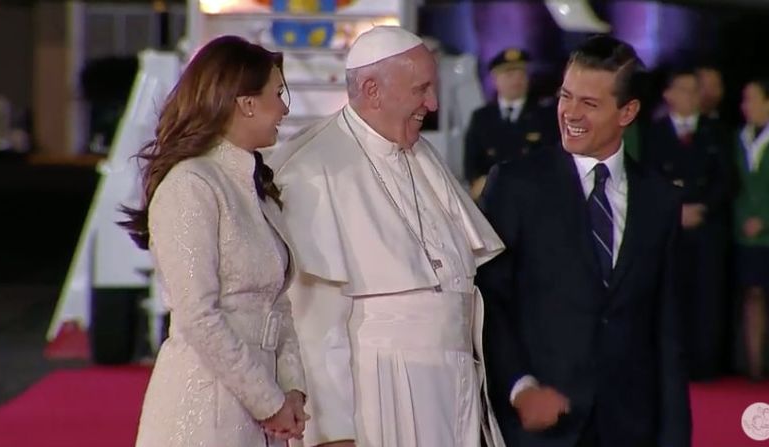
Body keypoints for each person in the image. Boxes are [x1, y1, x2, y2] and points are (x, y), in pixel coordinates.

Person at [268, 26, 505, 447]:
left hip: (455, 385)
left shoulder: (417, 150)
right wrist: (331, 433)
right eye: (421, 89)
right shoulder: (313, 170)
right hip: (378, 392)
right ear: (372, 89)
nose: (432, 104)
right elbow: (312, 322)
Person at [477, 35, 691, 447]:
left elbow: (667, 332)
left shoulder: (660, 200)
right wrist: (520, 386)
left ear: (627, 111)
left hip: (629, 426)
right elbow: (488, 300)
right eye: (566, 96)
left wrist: (675, 436)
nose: (570, 113)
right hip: (537, 427)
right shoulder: (516, 185)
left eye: (589, 104)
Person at [119, 35, 308, 446]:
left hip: (262, 409)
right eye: (278, 93)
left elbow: (279, 305)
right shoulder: (190, 184)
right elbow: (197, 316)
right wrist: (269, 400)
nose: (285, 108)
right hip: (201, 406)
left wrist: (292, 390)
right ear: (246, 103)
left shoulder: (257, 188)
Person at [642, 68, 732, 380]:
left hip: (707, 227)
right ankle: (671, 364)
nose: (693, 96)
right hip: (669, 228)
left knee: (707, 296)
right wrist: (675, 210)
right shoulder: (654, 132)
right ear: (668, 95)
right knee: (671, 296)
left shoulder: (716, 131)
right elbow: (649, 179)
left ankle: (705, 364)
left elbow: (726, 178)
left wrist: (702, 207)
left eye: (696, 90)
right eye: (685, 89)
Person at [733, 78, 769, 380]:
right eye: (744, 100)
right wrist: (745, 219)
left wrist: (765, 218)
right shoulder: (738, 137)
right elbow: (735, 185)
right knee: (751, 295)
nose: (745, 106)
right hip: (745, 231)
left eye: (751, 99)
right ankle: (754, 368)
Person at [464, 48, 557, 199]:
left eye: (521, 74)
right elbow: (472, 167)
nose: (516, 80)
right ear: (495, 79)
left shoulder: (545, 116)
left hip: (534, 197)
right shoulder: (481, 118)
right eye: (509, 74)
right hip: (493, 197)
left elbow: (551, 161)